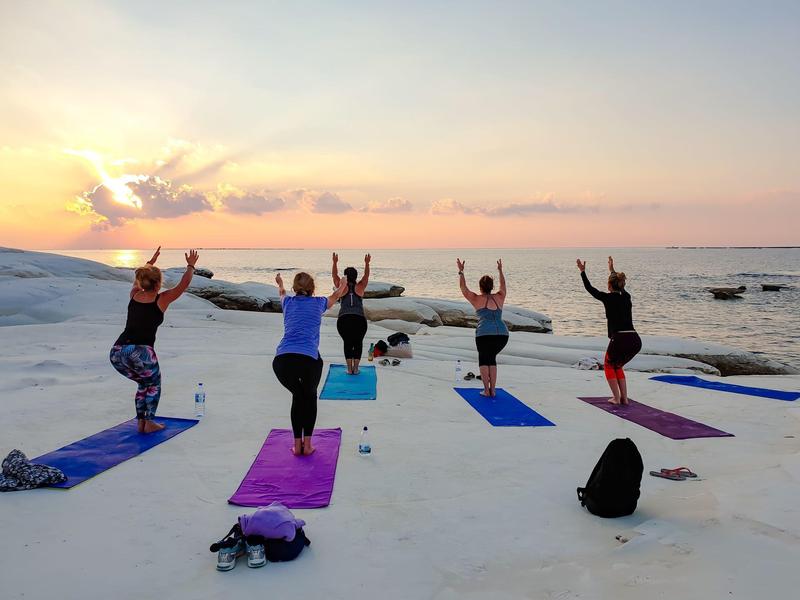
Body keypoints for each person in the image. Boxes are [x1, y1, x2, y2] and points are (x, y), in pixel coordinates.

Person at [110, 247, 199, 433]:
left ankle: (142, 422)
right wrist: (191, 265)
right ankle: (148, 423)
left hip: (118, 351)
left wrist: (151, 262)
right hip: (141, 352)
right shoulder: (161, 299)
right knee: (153, 385)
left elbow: (137, 280)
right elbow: (183, 285)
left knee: (144, 383)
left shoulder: (135, 294)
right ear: (158, 284)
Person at [273, 271, 349, 456]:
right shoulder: (319, 303)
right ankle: (307, 446)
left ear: (295, 288)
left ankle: (296, 445)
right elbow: (338, 294)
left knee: (298, 397)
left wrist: (280, 282)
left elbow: (282, 292)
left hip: (282, 361)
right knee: (309, 397)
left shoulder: (288, 302)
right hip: (308, 360)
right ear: (313, 288)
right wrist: (343, 283)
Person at [576, 256, 642, 405]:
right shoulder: (626, 297)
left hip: (620, 339)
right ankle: (624, 398)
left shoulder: (607, 298)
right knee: (617, 365)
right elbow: (619, 283)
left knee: (608, 365)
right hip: (635, 340)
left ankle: (616, 398)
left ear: (609, 286)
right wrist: (612, 269)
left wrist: (582, 272)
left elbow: (590, 289)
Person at [456, 258, 509, 397]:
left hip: (484, 333)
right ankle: (493, 390)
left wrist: (461, 271)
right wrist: (500, 270)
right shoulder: (500, 297)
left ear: (480, 287)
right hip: (502, 334)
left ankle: (487, 390)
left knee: (484, 359)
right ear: (492, 286)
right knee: (492, 359)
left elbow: (463, 288)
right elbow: (503, 285)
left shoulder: (476, 298)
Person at [331, 252, 371, 374]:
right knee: (358, 342)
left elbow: (334, 275)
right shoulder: (360, 286)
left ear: (346, 276)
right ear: (355, 276)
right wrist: (367, 263)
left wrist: (334, 262)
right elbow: (366, 275)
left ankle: (349, 369)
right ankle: (356, 368)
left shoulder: (341, 287)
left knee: (347, 342)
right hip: (359, 319)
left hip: (344, 319)